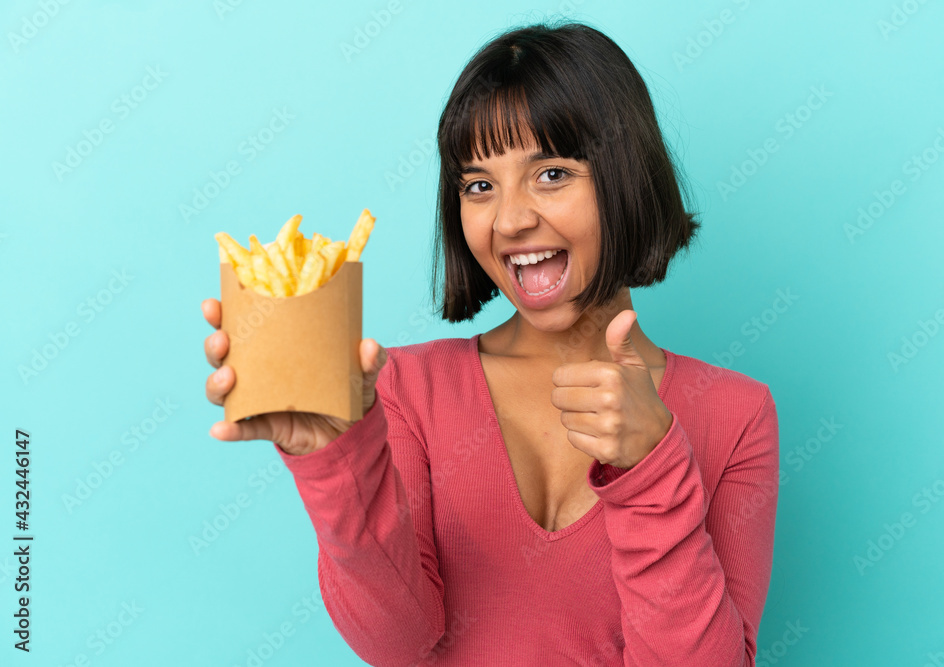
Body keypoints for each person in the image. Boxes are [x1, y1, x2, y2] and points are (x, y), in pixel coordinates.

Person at [202, 21, 779, 667]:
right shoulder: (403, 387)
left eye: (552, 173)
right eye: (479, 185)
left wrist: (652, 470)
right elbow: (397, 643)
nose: (509, 220)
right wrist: (337, 463)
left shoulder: (735, 413)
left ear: (625, 178)